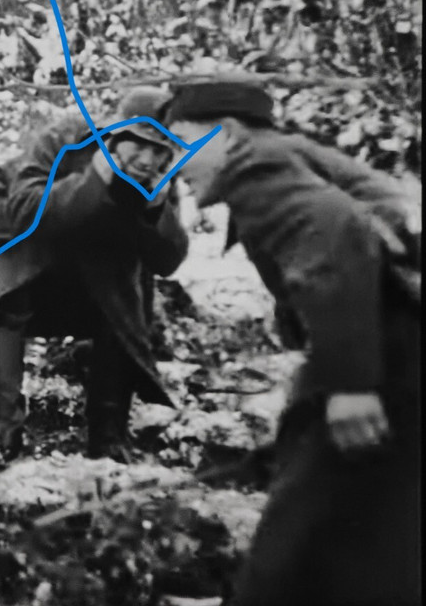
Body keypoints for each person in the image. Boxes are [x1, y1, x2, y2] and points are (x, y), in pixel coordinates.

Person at [164, 78, 421, 605]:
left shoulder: (256, 165)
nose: (174, 165)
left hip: (394, 345)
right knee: (378, 521)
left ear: (228, 133)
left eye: (181, 144)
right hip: (394, 341)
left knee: (301, 534)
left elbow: (332, 231)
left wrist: (350, 382)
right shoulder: (285, 157)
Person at [0, 88, 189, 472]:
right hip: (29, 261)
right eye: (140, 145)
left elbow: (167, 259)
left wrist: (155, 210)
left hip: (93, 284)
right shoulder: (63, 141)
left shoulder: (161, 177)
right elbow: (26, 211)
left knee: (122, 290)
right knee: (6, 290)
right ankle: (1, 429)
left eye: (161, 150)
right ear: (117, 134)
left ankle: (109, 437)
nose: (148, 160)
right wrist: (97, 179)